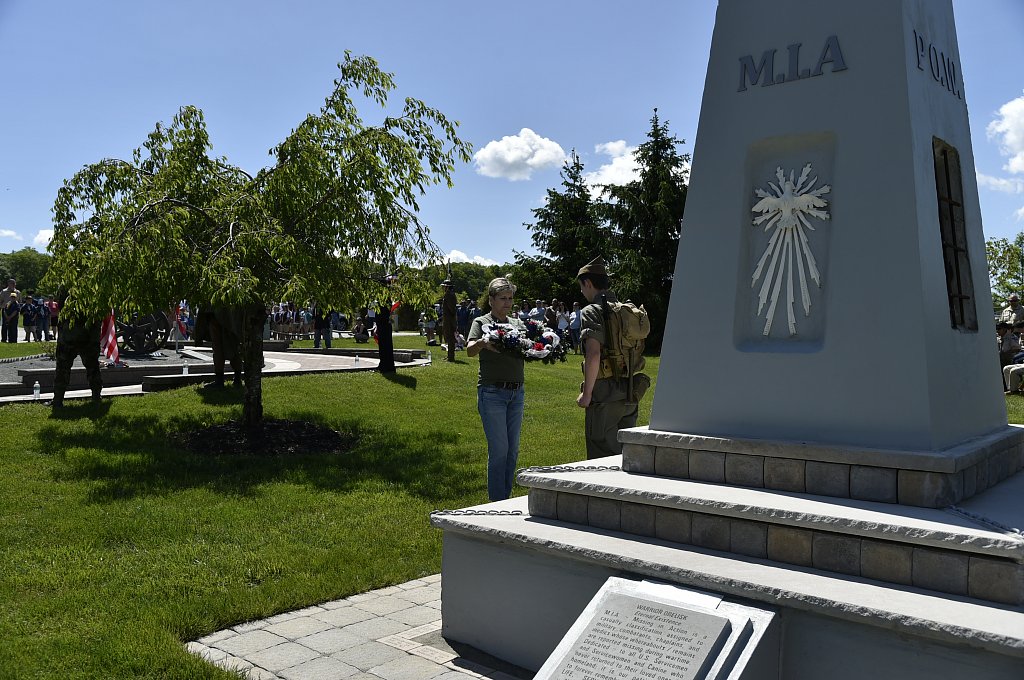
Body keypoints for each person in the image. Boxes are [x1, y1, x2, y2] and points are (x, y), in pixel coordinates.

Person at [576, 256, 650, 459]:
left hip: (605, 394)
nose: (582, 292)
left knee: (601, 455)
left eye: (582, 287)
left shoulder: (592, 311)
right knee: (625, 455)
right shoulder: (626, 310)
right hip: (630, 390)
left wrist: (587, 394)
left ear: (588, 283)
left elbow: (593, 354)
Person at [467, 277, 527, 501]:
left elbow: (528, 348)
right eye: (503, 298)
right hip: (492, 393)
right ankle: (496, 503)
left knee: (512, 451)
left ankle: (506, 497)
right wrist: (482, 342)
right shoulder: (482, 322)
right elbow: (470, 350)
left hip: (516, 393)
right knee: (500, 451)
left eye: (510, 298)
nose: (508, 303)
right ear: (491, 300)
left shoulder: (517, 324)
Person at [51, 297, 103, 408]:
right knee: (92, 367)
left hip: (70, 335)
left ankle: (58, 400)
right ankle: (96, 396)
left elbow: (60, 305)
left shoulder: (67, 287)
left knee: (63, 368)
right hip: (88, 334)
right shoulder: (94, 288)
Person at [442, 279, 458, 362]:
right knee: (448, 337)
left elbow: (451, 308)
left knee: (450, 338)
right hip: (447, 318)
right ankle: (449, 355)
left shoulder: (450, 295)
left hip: (449, 319)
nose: (443, 288)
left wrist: (450, 319)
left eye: (444, 286)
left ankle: (451, 357)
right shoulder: (448, 294)